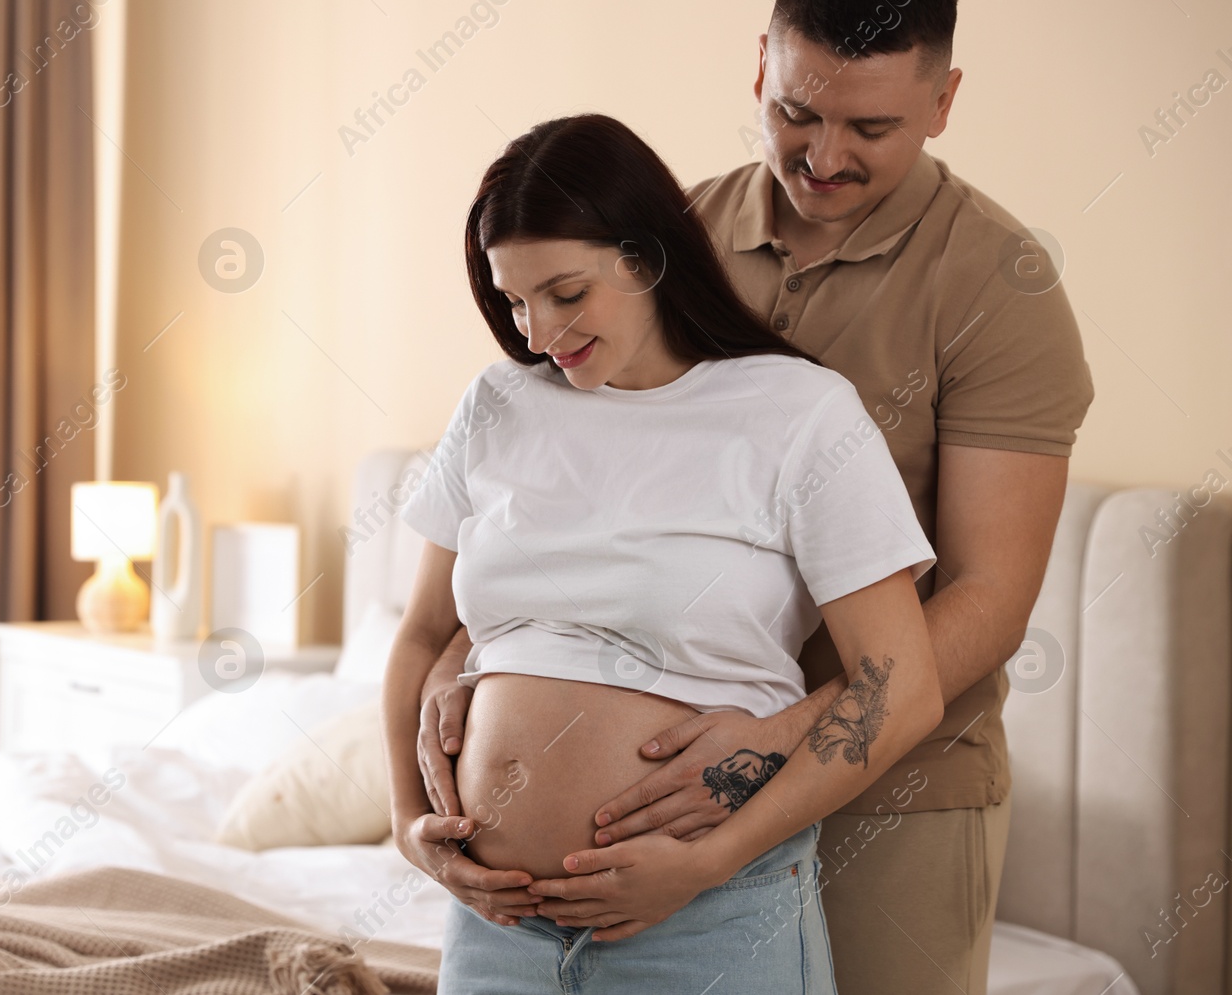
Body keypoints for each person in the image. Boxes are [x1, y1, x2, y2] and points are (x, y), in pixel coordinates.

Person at [412, 0, 1095, 993]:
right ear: (761, 68)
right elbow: (579, 499)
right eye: (794, 112)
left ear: (944, 99)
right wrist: (475, 645)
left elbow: (987, 596)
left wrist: (772, 742)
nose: (822, 154)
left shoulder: (993, 289)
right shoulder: (676, 232)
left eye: (869, 125)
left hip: (898, 772)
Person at [383, 111, 946, 993]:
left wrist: (711, 859)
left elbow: (899, 686)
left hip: (705, 924)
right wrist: (406, 823)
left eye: (566, 294)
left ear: (645, 257)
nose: (535, 333)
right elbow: (421, 634)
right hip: (498, 931)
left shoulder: (799, 414)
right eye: (513, 300)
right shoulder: (497, 405)